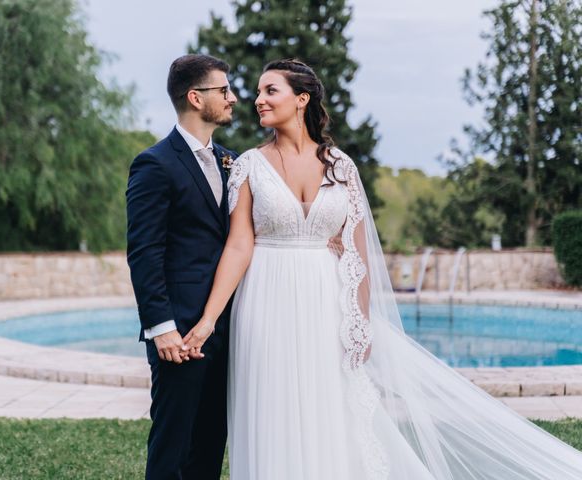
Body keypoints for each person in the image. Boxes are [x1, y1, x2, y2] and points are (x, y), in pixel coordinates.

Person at [182, 58, 582, 479]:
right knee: (271, 403)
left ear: (302, 99)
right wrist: (209, 318)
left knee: (328, 407)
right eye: (259, 92)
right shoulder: (248, 165)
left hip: (325, 299)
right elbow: (239, 244)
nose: (258, 100)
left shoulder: (341, 167)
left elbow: (358, 255)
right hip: (265, 297)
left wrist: (361, 322)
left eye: (270, 90)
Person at [126, 54, 237, 480]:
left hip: (224, 328)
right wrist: (161, 327)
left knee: (210, 443)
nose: (232, 98)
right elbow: (144, 252)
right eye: (223, 90)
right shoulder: (155, 163)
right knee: (173, 444)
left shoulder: (233, 161)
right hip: (179, 333)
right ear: (196, 97)